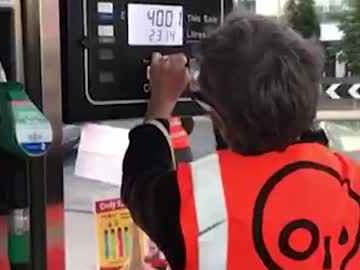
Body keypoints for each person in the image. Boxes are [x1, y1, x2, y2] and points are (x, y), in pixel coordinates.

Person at [121, 11, 360, 270]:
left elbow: (139, 182)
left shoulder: (191, 201)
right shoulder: (350, 179)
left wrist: (160, 107)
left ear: (219, 120)